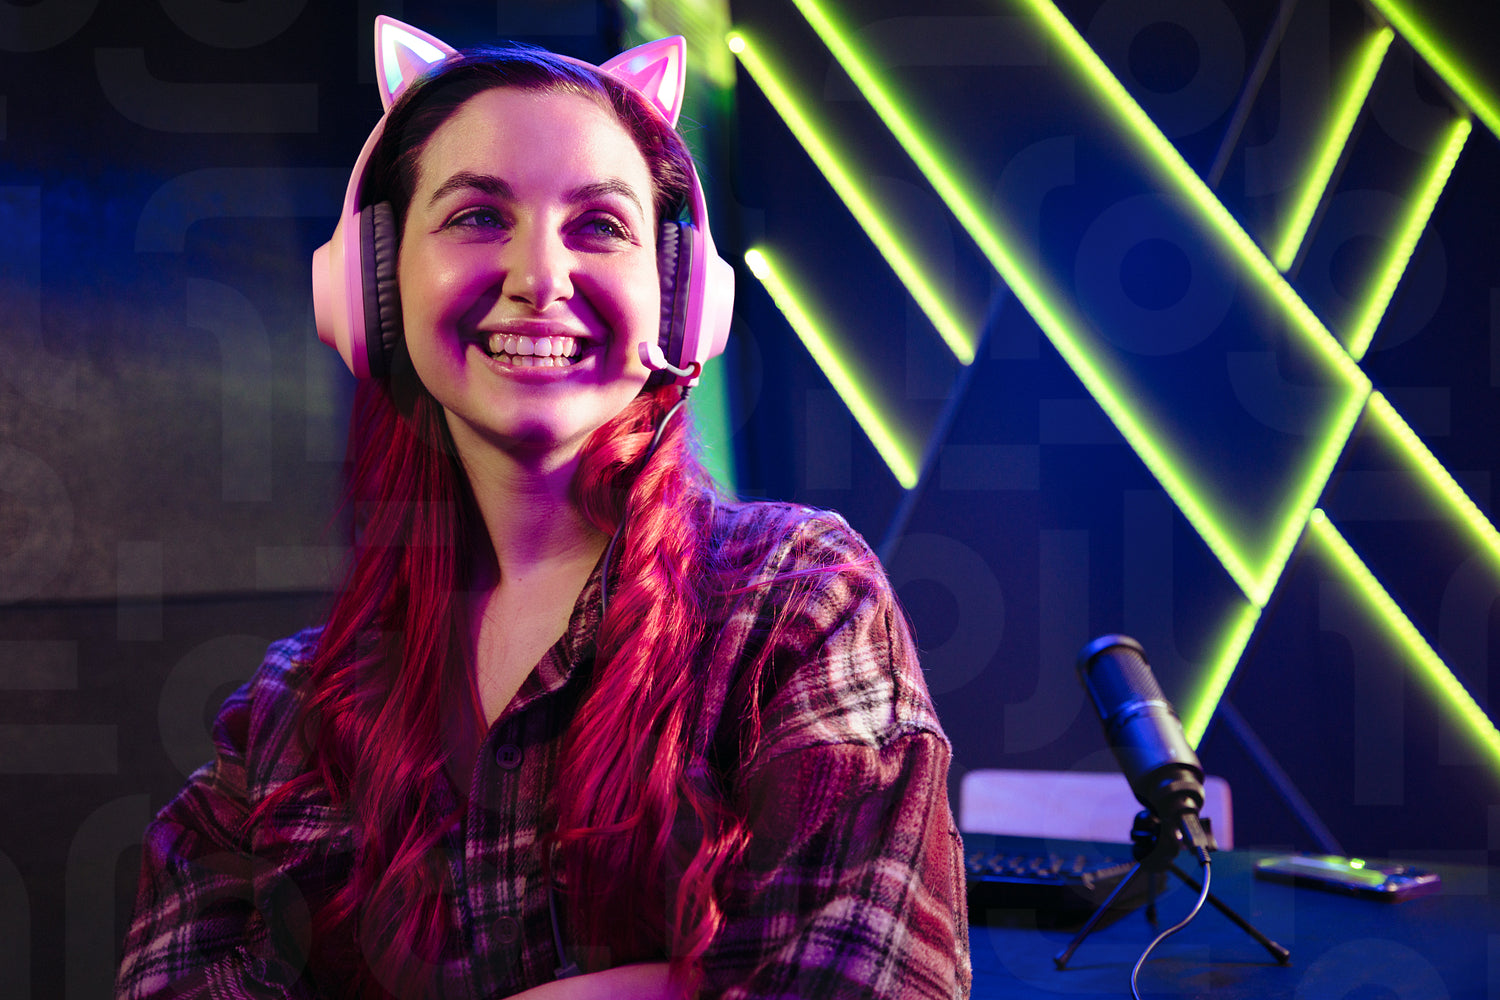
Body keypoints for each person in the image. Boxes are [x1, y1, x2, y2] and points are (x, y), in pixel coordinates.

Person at [117, 17, 969, 1000]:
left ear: (679, 294)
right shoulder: (290, 711)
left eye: (600, 225)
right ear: (375, 280)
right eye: (478, 217)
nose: (539, 279)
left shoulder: (796, 602)